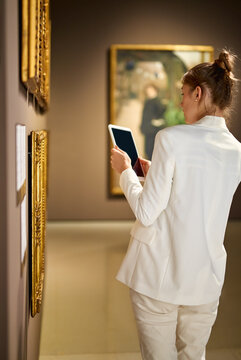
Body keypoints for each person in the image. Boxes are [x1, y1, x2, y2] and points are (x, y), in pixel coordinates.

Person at [110, 50, 241, 360]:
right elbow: (198, 189)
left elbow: (146, 211)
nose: (181, 103)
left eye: (183, 94)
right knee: (194, 356)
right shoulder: (237, 151)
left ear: (199, 92)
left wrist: (125, 172)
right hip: (205, 279)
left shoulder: (171, 138)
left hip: (158, 277)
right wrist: (154, 170)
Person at [140, 84, 166, 160]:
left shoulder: (157, 101)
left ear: (155, 91)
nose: (149, 92)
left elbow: (161, 114)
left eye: (151, 90)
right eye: (148, 90)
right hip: (148, 129)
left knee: (152, 150)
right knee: (147, 150)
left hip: (154, 130)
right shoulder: (147, 101)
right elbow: (144, 116)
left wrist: (157, 122)